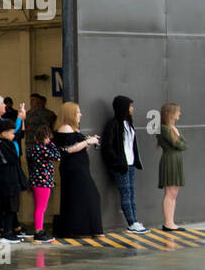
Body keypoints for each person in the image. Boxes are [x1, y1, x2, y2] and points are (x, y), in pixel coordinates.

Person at [52, 102, 103, 238]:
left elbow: (78, 148)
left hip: (80, 166)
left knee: (87, 196)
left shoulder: (74, 129)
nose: (80, 115)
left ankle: (89, 228)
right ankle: (78, 229)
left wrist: (91, 142)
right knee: (80, 196)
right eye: (78, 112)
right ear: (70, 114)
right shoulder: (65, 128)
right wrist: (87, 142)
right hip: (73, 168)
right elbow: (68, 149)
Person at [100, 95, 146, 232]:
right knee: (125, 193)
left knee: (131, 193)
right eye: (130, 106)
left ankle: (135, 221)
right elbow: (107, 147)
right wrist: (117, 161)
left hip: (130, 164)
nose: (132, 108)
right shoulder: (113, 124)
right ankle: (132, 223)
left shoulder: (129, 123)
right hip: (121, 165)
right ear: (124, 108)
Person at [26, 123, 61, 242]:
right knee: (41, 208)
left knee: (38, 207)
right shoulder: (44, 149)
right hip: (43, 181)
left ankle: (38, 230)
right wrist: (51, 143)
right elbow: (57, 156)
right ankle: (39, 231)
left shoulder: (33, 149)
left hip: (35, 180)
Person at [157, 103, 186, 231]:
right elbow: (178, 145)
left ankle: (171, 222)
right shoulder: (163, 128)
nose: (179, 114)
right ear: (170, 113)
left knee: (174, 193)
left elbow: (184, 145)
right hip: (170, 160)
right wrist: (178, 137)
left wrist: (177, 135)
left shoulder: (173, 128)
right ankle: (168, 223)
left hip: (176, 160)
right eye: (177, 111)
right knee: (170, 192)